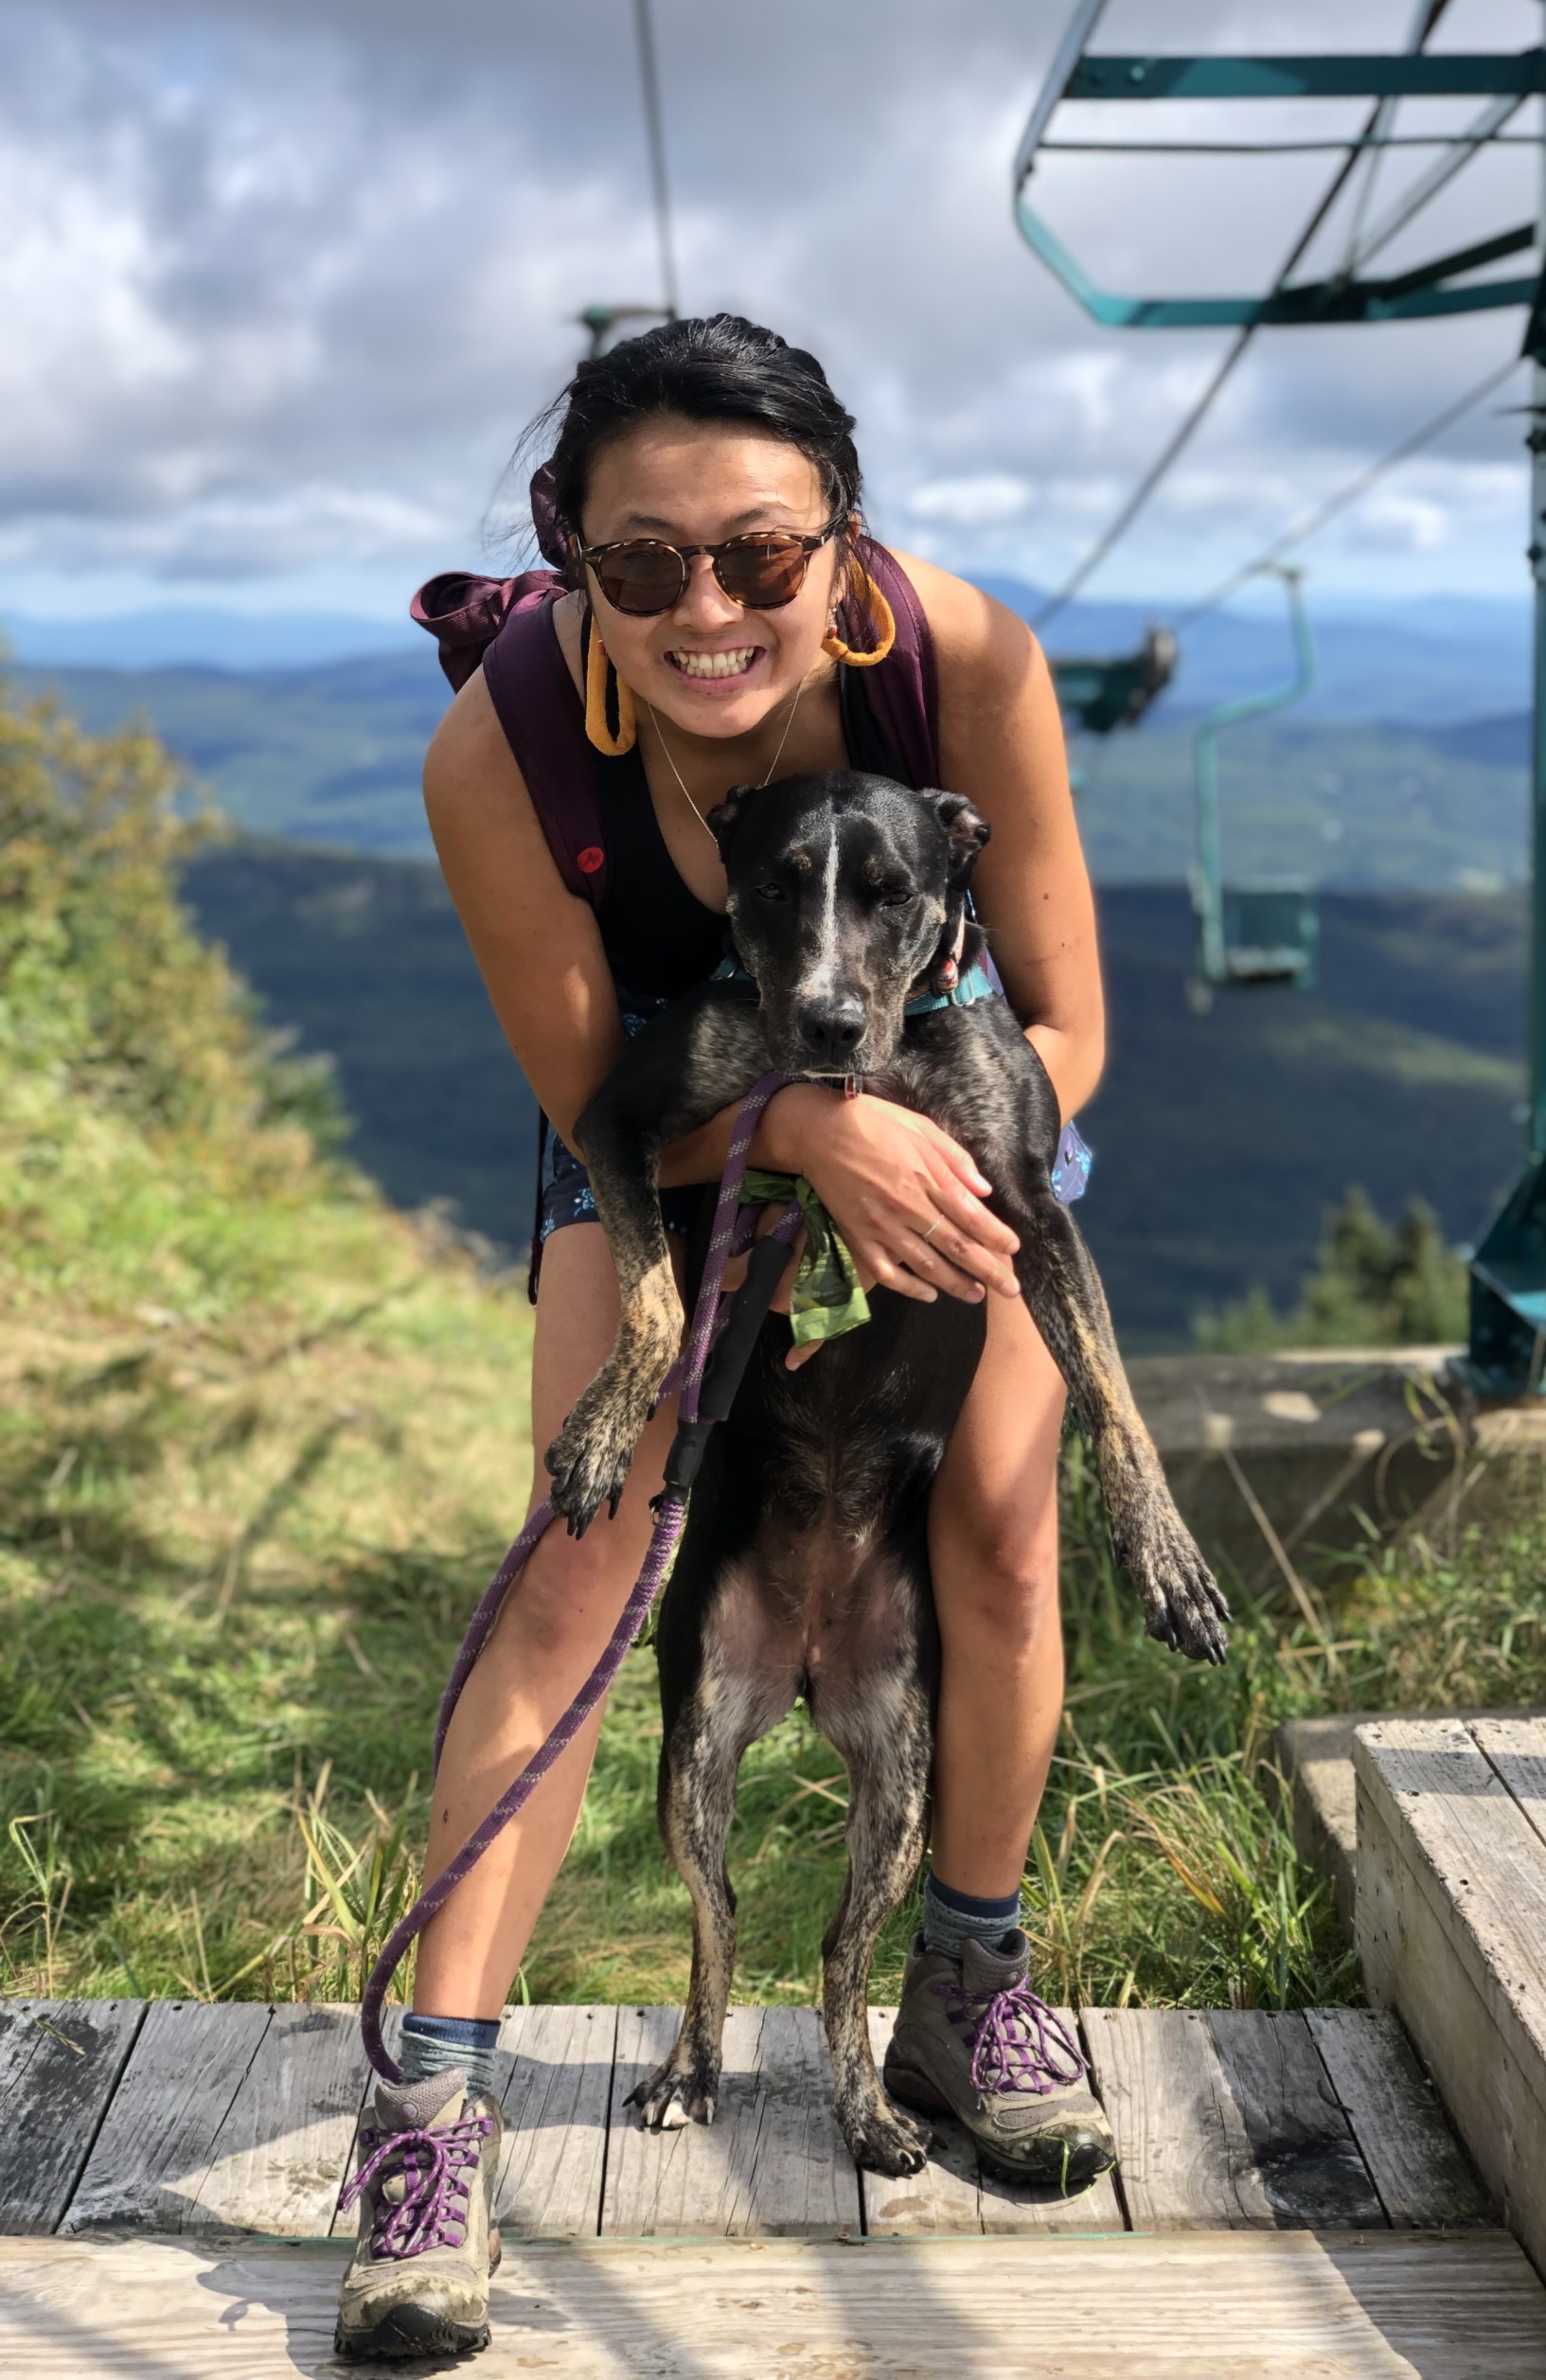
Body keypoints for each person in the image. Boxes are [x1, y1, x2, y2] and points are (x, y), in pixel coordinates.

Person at [334, 314, 1111, 2361]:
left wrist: (898, 1142)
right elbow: (598, 1094)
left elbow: (1069, 1016)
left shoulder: (971, 670)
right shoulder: (500, 754)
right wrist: (792, 1125)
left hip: (952, 1116)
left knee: (1006, 1520)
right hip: (661, 1132)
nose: (707, 606)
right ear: (565, 546)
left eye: (761, 556)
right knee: (586, 1562)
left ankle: (966, 1979)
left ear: (839, 548)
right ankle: (428, 2109)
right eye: (645, 557)